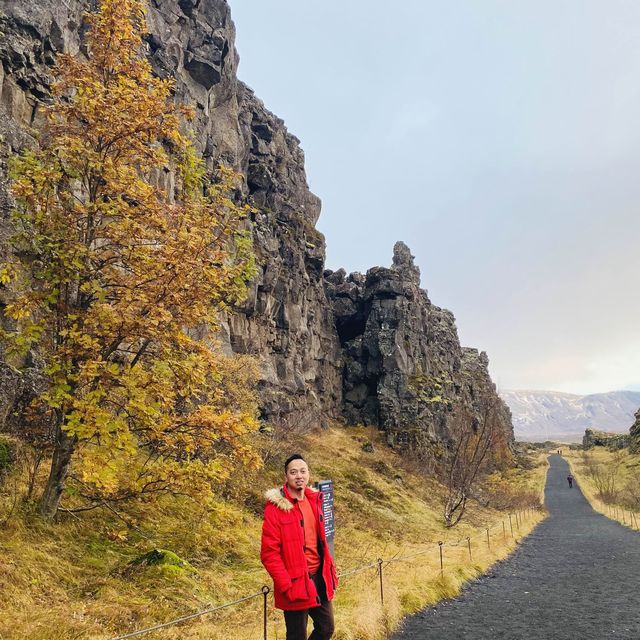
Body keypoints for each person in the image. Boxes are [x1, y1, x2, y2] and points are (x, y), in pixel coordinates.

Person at [261, 454, 338, 640]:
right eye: (293, 472)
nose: (299, 476)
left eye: (303, 471)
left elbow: (322, 541)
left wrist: (330, 570)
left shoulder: (314, 500)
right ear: (286, 476)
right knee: (297, 636)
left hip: (319, 577)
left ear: (308, 474)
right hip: (294, 583)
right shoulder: (276, 508)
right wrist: (286, 584)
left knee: (326, 627)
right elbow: (269, 553)